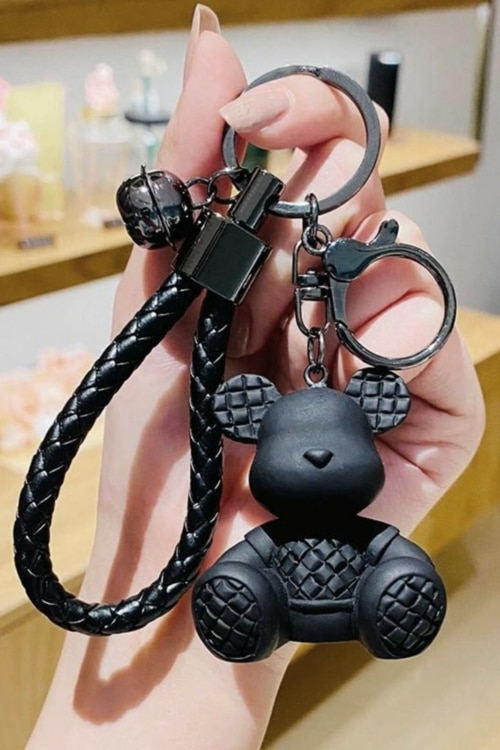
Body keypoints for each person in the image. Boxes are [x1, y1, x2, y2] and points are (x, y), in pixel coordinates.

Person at [26, 5, 485, 749]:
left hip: (345, 583)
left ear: (377, 407)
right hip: (257, 582)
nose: (317, 453)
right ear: (245, 413)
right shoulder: (236, 427)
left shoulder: (345, 495)